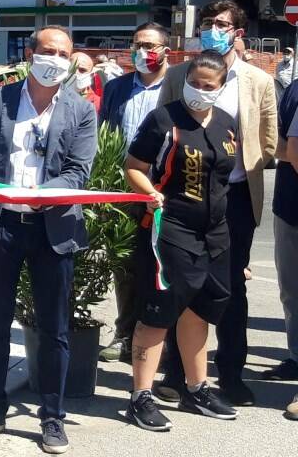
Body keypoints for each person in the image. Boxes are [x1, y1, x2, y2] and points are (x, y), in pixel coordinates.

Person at [0, 25, 96, 455]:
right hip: (2, 228)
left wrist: (42, 195)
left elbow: (79, 171)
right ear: (30, 53)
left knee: (54, 329)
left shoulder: (81, 109)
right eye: (48, 51)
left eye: (63, 53)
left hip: (53, 231)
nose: (54, 59)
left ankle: (52, 417)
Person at [155, 0, 276, 406]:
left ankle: (230, 374)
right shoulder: (177, 75)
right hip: (183, 200)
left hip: (236, 199)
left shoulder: (257, 81)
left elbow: (269, 139)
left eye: (222, 24)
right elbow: (160, 134)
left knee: (229, 290)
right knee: (180, 284)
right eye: (208, 22)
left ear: (238, 33)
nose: (213, 29)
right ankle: (175, 372)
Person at [123, 52, 238, 432]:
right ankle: (140, 396)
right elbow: (134, 168)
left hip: (215, 233)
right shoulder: (163, 118)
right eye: (195, 83)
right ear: (186, 79)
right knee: (160, 309)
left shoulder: (226, 123)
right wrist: (149, 195)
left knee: (203, 308)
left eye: (210, 87)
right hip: (171, 228)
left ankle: (197, 388)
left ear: (221, 89)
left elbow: (224, 176)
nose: (200, 92)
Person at [96, 22, 171, 363]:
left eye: (151, 45)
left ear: (166, 50)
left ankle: (161, 341)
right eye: (138, 44)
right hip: (123, 189)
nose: (144, 51)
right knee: (124, 264)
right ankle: (124, 332)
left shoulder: (176, 86)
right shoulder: (116, 88)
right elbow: (104, 133)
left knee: (163, 266)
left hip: (164, 188)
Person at [267, 77, 298, 390]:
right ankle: (295, 356)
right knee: (291, 290)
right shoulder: (294, 89)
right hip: (289, 206)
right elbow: (276, 144)